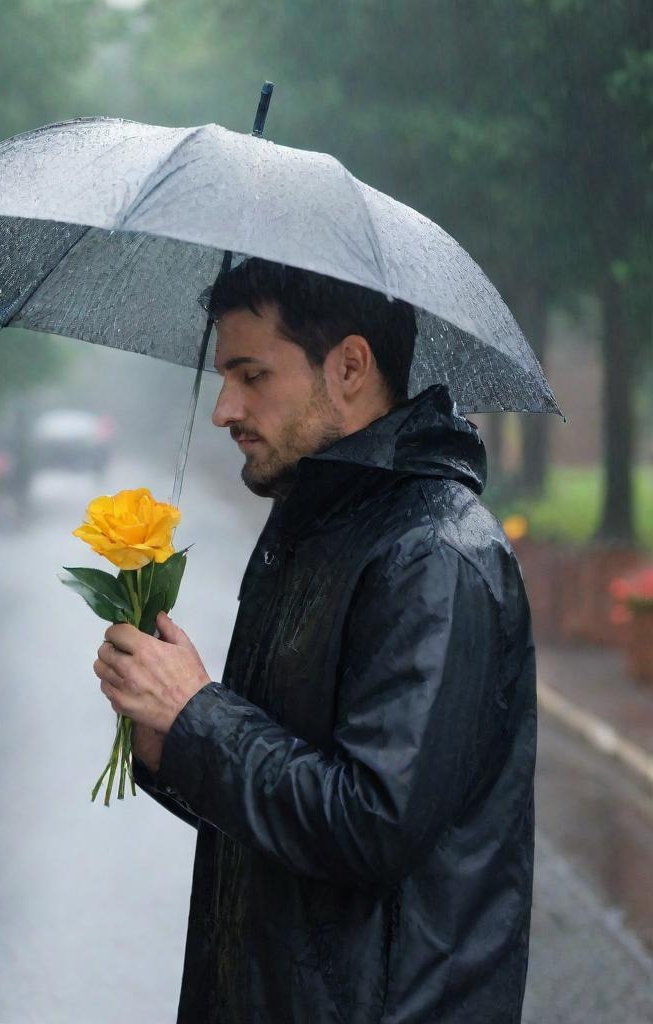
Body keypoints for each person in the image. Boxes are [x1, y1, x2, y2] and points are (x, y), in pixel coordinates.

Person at [92, 258, 537, 1023]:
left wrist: (199, 712)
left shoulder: (432, 555)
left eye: (252, 375)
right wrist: (171, 740)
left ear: (351, 367)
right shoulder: (315, 530)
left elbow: (370, 826)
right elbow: (285, 810)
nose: (224, 408)